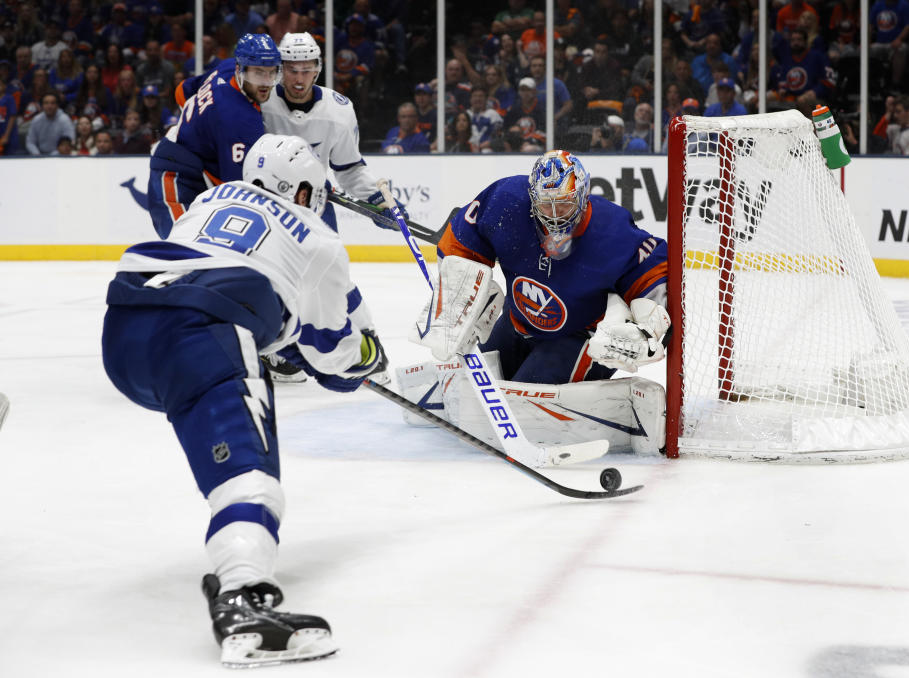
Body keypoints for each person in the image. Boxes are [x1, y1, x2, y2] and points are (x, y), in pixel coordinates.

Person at [101, 134, 386, 668]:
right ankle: (241, 596)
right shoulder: (319, 240)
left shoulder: (210, 198)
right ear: (302, 189)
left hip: (123, 331)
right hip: (200, 331)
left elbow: (248, 274)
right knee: (250, 483)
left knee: (229, 393)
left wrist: (282, 332)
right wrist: (367, 356)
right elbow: (334, 360)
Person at [426, 149, 668, 385]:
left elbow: (652, 274)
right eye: (545, 205)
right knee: (463, 384)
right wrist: (462, 299)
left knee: (523, 397)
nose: (554, 216)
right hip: (517, 322)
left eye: (563, 204)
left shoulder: (612, 230)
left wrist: (648, 328)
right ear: (532, 198)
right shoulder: (507, 201)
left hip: (579, 338)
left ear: (582, 197)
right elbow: (462, 240)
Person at [261, 32, 406, 232]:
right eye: (292, 70)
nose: (299, 79)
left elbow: (348, 168)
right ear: (280, 70)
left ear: (317, 69)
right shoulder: (262, 103)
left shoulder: (339, 110)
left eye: (306, 70)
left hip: (314, 204)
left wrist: (378, 199)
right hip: (265, 204)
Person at [147, 33, 281, 239]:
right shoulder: (240, 120)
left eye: (271, 73)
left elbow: (182, 91)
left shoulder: (226, 67)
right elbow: (236, 191)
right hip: (174, 178)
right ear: (241, 69)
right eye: (258, 74)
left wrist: (200, 126)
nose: (266, 83)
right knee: (185, 252)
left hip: (191, 172)